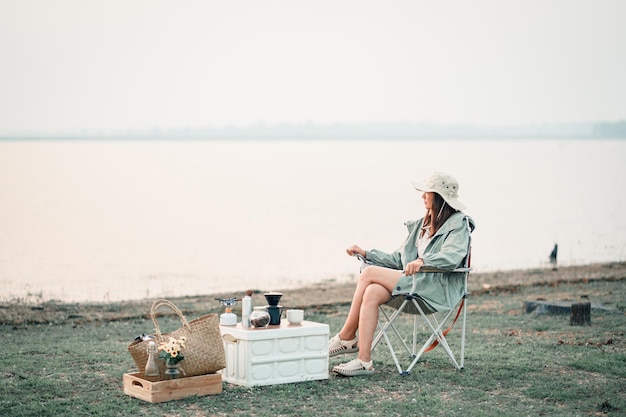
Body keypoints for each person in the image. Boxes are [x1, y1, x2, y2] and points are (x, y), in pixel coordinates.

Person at [330, 171, 475, 377]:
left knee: (369, 273)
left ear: (439, 196)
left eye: (427, 192)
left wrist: (424, 261)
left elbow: (452, 256)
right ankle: (364, 361)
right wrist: (367, 253)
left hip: (433, 289)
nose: (422, 196)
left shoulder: (458, 225)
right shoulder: (420, 226)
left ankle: (346, 337)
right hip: (413, 284)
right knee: (371, 291)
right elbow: (398, 259)